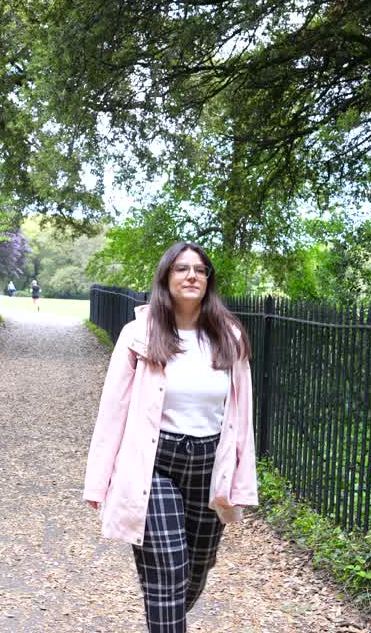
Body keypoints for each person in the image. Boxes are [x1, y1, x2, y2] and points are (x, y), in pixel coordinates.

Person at [83, 242, 257, 632]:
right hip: (154, 462)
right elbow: (113, 411)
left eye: (199, 270)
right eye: (181, 269)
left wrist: (243, 479)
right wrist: (98, 481)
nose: (192, 275)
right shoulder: (138, 335)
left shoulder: (229, 336)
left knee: (195, 571)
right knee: (167, 565)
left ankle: (166, 618)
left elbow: (242, 416)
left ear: (209, 281)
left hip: (210, 465)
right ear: (166, 277)